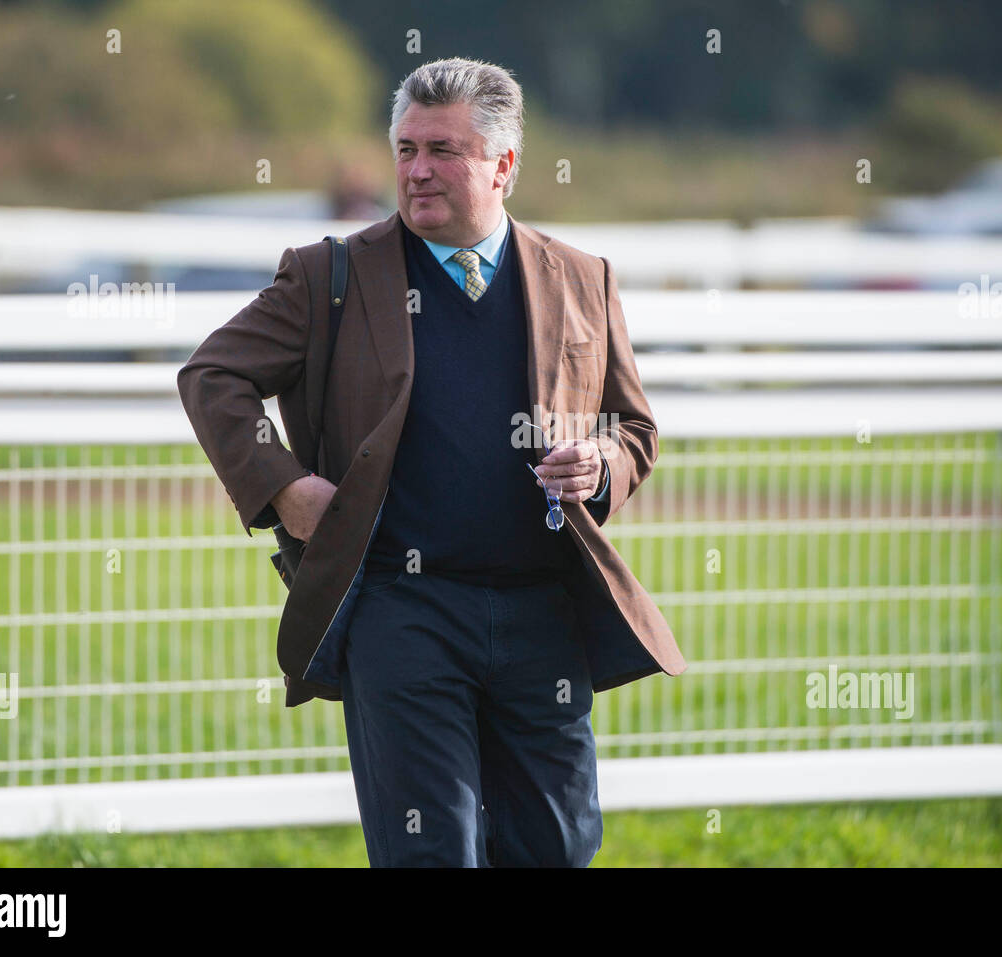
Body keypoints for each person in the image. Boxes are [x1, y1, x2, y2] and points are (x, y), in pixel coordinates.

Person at [177, 56, 686, 867]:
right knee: (431, 854)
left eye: (443, 150)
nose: (416, 170)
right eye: (406, 149)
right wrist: (284, 488)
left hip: (544, 615)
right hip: (402, 614)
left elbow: (634, 427)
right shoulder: (328, 275)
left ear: (504, 165)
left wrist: (599, 463)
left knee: (555, 849)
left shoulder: (583, 279)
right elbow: (212, 375)